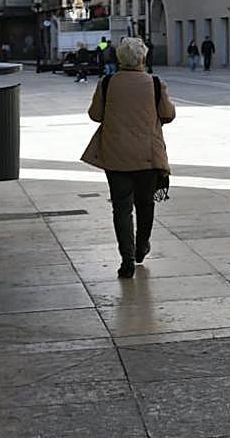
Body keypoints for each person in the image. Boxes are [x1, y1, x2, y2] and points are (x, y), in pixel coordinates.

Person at [80, 36, 175, 279]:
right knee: (145, 204)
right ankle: (142, 246)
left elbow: (95, 115)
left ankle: (127, 260)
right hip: (147, 156)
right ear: (143, 58)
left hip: (115, 155)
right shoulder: (155, 83)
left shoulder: (107, 82)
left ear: (120, 58)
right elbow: (168, 114)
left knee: (121, 208)